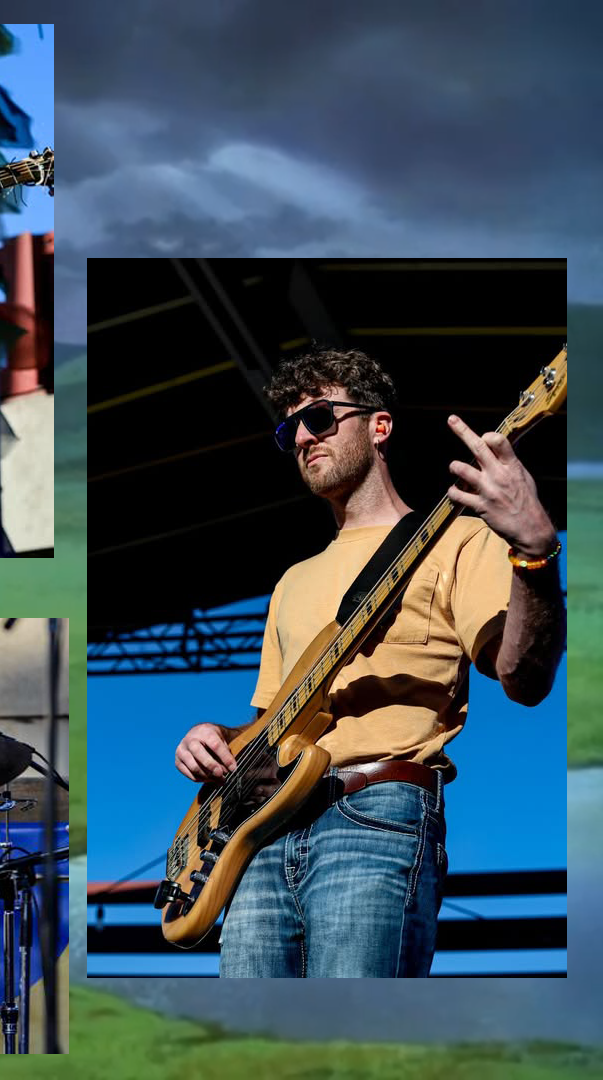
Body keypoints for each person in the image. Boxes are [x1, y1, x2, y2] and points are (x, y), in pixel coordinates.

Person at [174, 348, 565, 978]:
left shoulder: (459, 536)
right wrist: (213, 738)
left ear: (378, 426)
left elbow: (524, 677)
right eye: (290, 429)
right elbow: (267, 731)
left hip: (375, 812)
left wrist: (536, 551)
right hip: (263, 835)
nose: (302, 437)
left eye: (321, 418)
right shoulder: (293, 581)